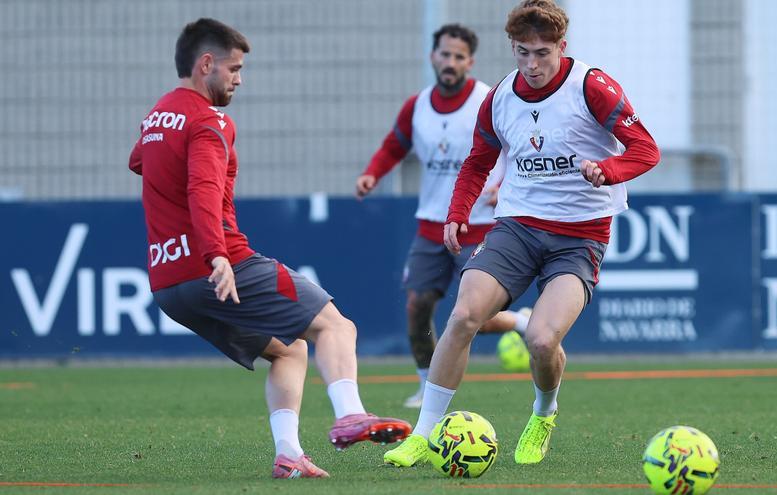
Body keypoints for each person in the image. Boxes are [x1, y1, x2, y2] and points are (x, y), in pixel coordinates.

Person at [128, 18, 412, 479]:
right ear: (206, 65)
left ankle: (288, 454)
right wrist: (216, 254)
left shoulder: (159, 114)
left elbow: (138, 159)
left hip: (167, 282)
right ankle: (351, 415)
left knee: (288, 350)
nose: (239, 79)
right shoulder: (209, 119)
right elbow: (202, 189)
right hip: (220, 264)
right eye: (234, 68)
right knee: (337, 327)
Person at [383, 0, 660, 467]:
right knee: (464, 314)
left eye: (541, 53)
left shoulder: (591, 86)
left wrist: (608, 170)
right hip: (517, 227)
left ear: (561, 47)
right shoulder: (500, 97)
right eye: (521, 53)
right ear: (511, 48)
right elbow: (477, 162)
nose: (531, 64)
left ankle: (544, 412)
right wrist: (457, 213)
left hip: (580, 237)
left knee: (541, 340)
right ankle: (423, 433)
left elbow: (646, 150)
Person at [356, 24, 531, 409]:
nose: (450, 62)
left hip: (480, 224)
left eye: (458, 56)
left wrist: (506, 186)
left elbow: (519, 146)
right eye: (444, 54)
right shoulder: (416, 106)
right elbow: (393, 146)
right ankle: (424, 385)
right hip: (431, 226)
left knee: (472, 316)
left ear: (469, 61)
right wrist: (372, 173)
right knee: (417, 309)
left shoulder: (489, 99)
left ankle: (520, 323)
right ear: (433, 57)